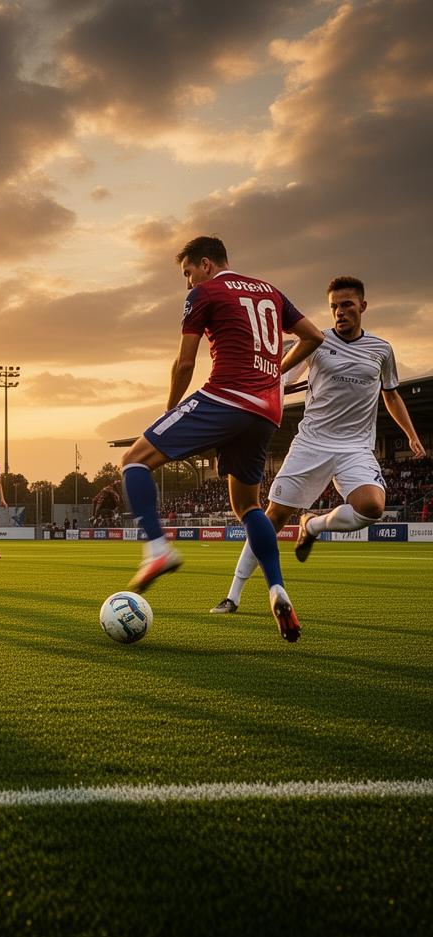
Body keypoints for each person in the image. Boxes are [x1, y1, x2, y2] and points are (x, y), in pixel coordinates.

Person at [120, 236, 323, 643]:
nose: (187, 282)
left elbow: (185, 361)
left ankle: (157, 549)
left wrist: (169, 411)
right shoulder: (271, 291)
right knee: (248, 506)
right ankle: (276, 588)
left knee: (134, 460)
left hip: (226, 395)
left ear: (206, 263)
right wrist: (274, 374)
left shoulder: (205, 293)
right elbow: (314, 337)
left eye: (187, 273)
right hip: (267, 411)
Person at [215, 276, 427, 613]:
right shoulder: (316, 340)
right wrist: (267, 390)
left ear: (363, 306)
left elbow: (391, 394)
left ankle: (313, 525)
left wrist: (412, 435)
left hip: (355, 447)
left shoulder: (382, 350)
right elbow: (281, 377)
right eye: (334, 307)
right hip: (311, 443)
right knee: (272, 518)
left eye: (346, 305)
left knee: (372, 507)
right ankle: (233, 596)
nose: (339, 312)